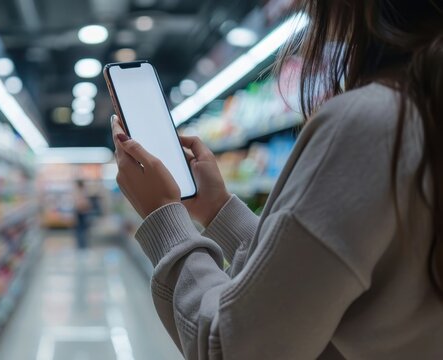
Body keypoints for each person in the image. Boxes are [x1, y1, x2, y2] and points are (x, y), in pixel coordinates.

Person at [110, 0, 443, 358]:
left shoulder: (368, 124)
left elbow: (230, 348)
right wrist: (219, 210)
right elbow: (313, 290)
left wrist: (164, 216)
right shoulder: (422, 111)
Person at [73, 179, 91, 250]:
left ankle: (83, 244)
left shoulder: (82, 191)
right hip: (80, 212)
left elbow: (85, 203)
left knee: (82, 229)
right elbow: (79, 203)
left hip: (82, 212)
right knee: (80, 229)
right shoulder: (80, 192)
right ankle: (81, 244)